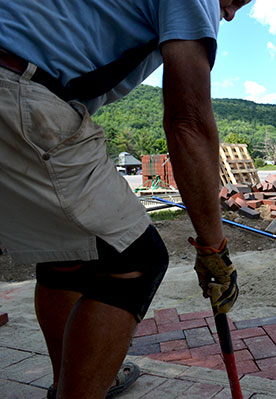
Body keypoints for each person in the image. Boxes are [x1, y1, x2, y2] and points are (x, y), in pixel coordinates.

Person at [0, 0, 249, 397]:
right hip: (15, 85)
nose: (232, 13)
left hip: (16, 76)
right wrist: (213, 246)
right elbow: (188, 119)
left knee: (64, 254)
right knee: (136, 260)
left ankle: (70, 380)